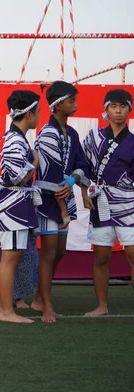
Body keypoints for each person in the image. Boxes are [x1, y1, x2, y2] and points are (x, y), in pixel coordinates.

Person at [30, 81, 90, 323]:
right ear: (57, 105)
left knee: (60, 252)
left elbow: (82, 165)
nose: (75, 104)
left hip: (63, 196)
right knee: (49, 253)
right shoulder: (47, 133)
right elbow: (49, 172)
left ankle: (38, 298)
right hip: (47, 200)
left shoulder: (72, 133)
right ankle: (46, 307)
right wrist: (63, 189)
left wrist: (73, 182)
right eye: (71, 101)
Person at [0, 90, 41, 324]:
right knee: (10, 258)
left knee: (11, 257)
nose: (39, 116)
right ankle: (6, 311)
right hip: (12, 204)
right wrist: (34, 163)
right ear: (29, 114)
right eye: (38, 112)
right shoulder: (15, 140)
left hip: (10, 202)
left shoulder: (12, 138)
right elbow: (19, 177)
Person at [83, 89, 134, 317]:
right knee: (101, 256)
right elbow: (82, 169)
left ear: (129, 110)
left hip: (128, 204)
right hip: (100, 203)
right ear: (106, 109)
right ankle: (101, 306)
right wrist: (84, 191)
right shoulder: (93, 138)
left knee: (133, 254)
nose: (118, 111)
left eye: (122, 106)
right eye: (113, 106)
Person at [0, 205, 38, 307]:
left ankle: (18, 296)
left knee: (22, 249)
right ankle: (0, 293)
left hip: (20, 207)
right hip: (6, 207)